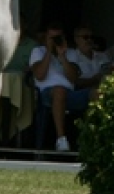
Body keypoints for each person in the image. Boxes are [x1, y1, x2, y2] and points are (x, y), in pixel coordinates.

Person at [28, 23, 97, 152]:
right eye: (51, 38)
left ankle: (95, 138)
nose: (55, 41)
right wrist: (49, 51)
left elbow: (73, 79)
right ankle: (61, 139)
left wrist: (62, 56)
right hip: (47, 94)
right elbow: (39, 75)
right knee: (60, 91)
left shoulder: (71, 53)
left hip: (70, 94)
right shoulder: (38, 51)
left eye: (58, 37)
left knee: (97, 93)